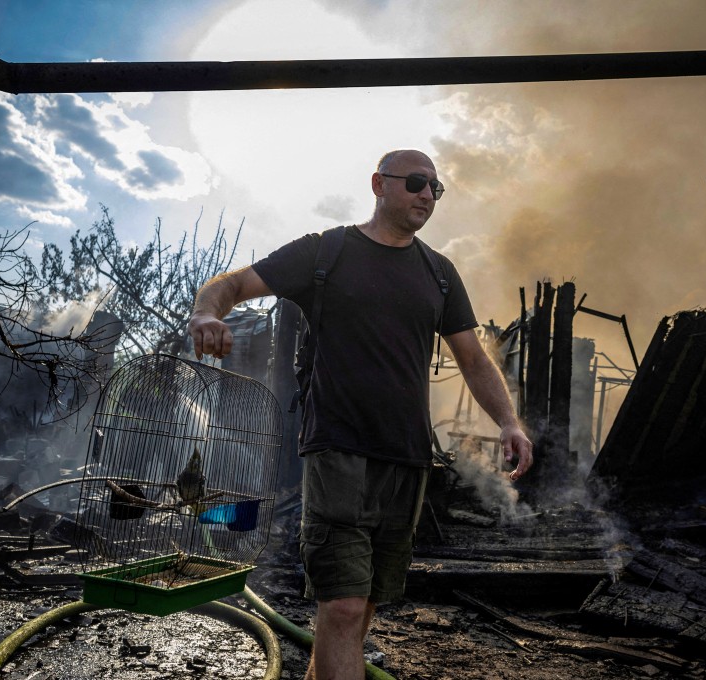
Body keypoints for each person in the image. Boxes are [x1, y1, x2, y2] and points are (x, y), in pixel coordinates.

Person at [187, 149, 533, 680]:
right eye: (417, 183)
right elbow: (232, 284)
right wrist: (207, 312)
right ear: (379, 184)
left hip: (408, 459)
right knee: (344, 604)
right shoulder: (324, 253)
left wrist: (509, 421)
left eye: (436, 189)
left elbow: (472, 358)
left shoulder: (439, 273)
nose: (427, 195)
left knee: (365, 603)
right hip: (339, 449)